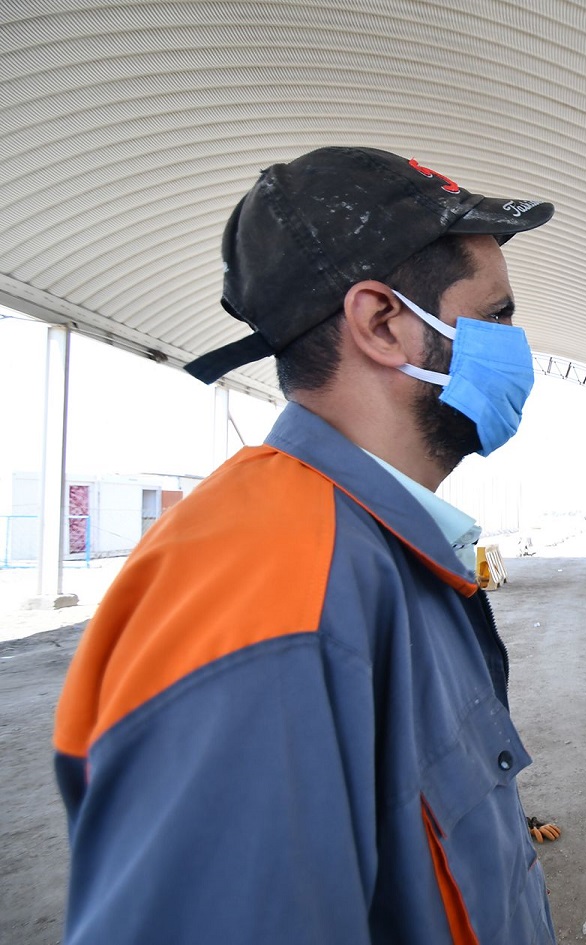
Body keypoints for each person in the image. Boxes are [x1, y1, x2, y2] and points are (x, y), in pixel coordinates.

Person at [53, 147, 558, 944]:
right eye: (496, 318)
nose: (518, 347)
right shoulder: (267, 594)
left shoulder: (377, 551)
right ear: (383, 323)